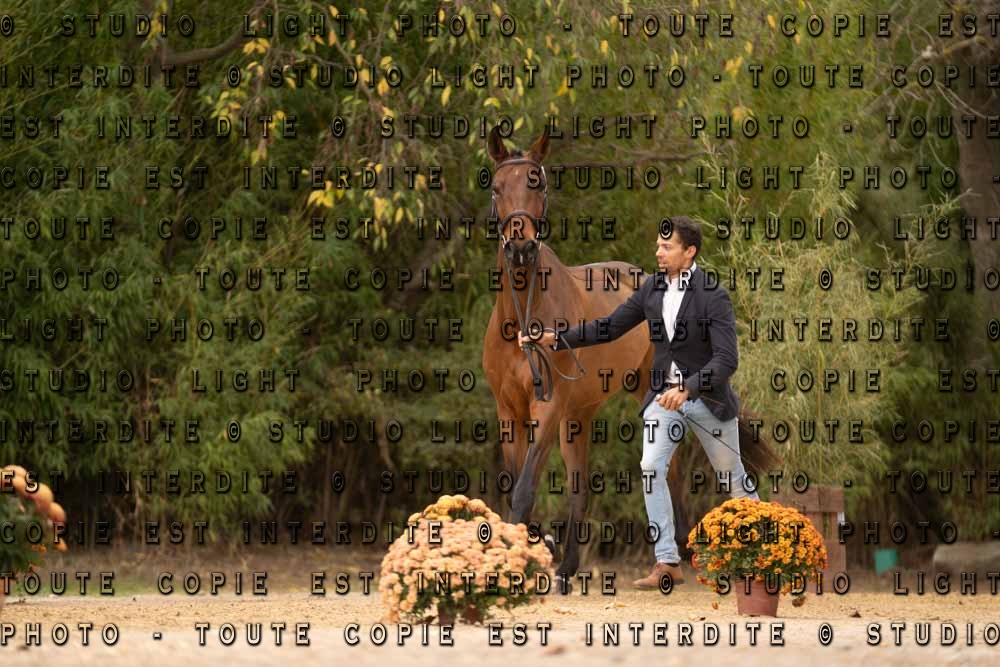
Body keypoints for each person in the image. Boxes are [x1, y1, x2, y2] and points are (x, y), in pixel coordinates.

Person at [518, 216, 760, 589]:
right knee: (650, 467)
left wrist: (688, 388)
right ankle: (667, 561)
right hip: (663, 399)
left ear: (689, 252)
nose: (658, 252)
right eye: (658, 246)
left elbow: (727, 360)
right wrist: (557, 338)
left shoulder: (713, 296)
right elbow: (609, 327)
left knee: (733, 477)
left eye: (667, 247)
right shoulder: (652, 290)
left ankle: (763, 558)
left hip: (707, 399)